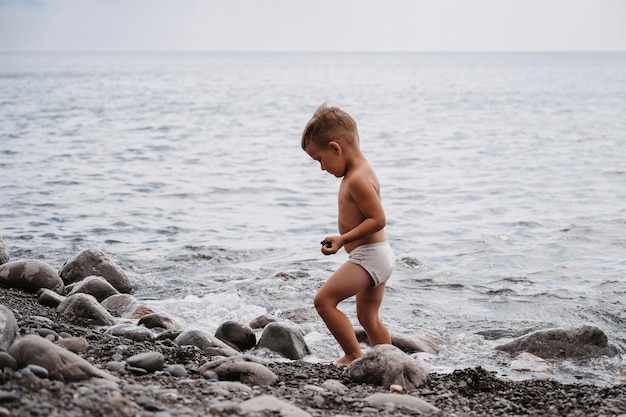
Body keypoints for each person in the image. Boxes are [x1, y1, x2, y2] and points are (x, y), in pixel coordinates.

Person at [301, 102, 395, 366]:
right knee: (369, 319)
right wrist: (343, 240)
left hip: (369, 257)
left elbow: (378, 219)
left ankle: (353, 354)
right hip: (378, 255)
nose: (321, 168)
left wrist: (343, 239)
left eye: (320, 159)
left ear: (335, 148)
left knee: (324, 301)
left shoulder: (357, 179)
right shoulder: (361, 172)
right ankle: (389, 363)